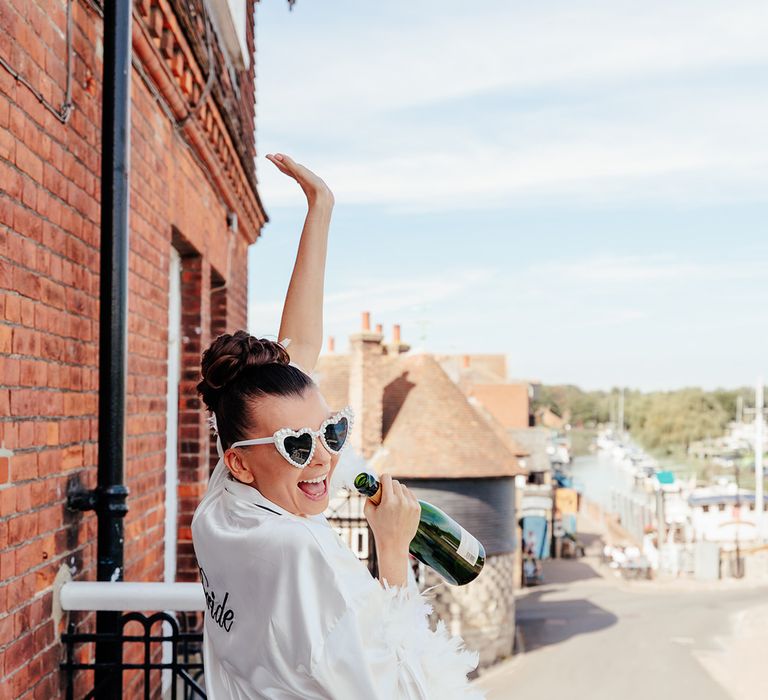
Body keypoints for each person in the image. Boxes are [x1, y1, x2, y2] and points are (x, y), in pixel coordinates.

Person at [191, 153, 483, 699]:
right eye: (298, 445)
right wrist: (393, 550)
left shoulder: (224, 505)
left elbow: (296, 351)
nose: (324, 457)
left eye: (332, 432)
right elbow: (404, 688)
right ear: (241, 460)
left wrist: (319, 211)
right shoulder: (304, 554)